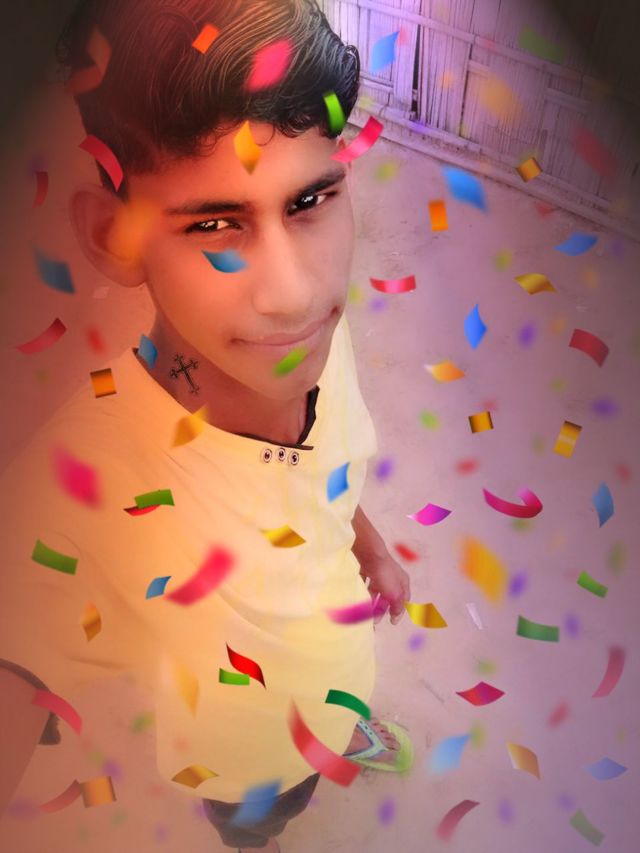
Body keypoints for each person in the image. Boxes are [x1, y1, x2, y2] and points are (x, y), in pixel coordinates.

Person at [0, 1, 414, 850]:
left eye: (310, 199)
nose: (294, 293)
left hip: (339, 667)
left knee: (338, 703)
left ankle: (344, 729)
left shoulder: (315, 346)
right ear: (116, 237)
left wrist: (368, 542)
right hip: (246, 760)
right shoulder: (81, 477)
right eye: (216, 224)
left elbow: (326, 471)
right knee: (264, 819)